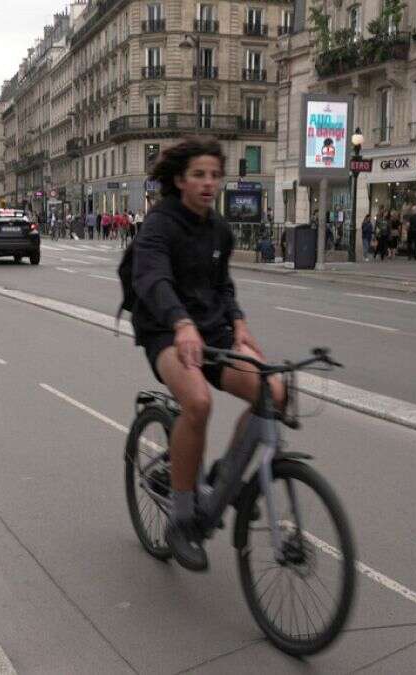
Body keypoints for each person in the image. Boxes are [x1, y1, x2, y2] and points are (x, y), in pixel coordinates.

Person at [131, 136, 284, 572]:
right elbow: (154, 279)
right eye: (199, 174)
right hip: (165, 330)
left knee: (274, 392)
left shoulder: (219, 229)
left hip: (212, 332)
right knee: (198, 402)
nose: (208, 183)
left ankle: (224, 479)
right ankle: (182, 519)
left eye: (214, 175)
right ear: (180, 179)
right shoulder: (160, 225)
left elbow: (223, 286)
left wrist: (239, 323)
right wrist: (180, 324)